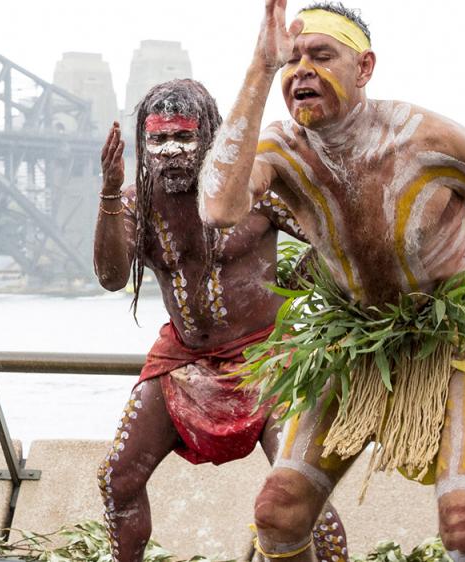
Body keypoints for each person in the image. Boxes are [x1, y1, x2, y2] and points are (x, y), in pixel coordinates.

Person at [197, 2, 465, 560]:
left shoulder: (425, 137)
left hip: (457, 338)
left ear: (364, 68)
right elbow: (218, 207)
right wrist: (260, 69)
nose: (300, 70)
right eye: (292, 59)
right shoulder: (283, 150)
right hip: (356, 337)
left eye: (321, 55)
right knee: (277, 513)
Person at [91, 79, 346, 561]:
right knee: (117, 478)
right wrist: (107, 192)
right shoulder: (134, 203)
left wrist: (295, 282)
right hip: (183, 359)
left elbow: (331, 234)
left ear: (209, 138)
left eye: (183, 138)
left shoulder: (255, 190)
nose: (170, 153)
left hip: (270, 358)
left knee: (300, 490)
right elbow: (109, 276)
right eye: (158, 141)